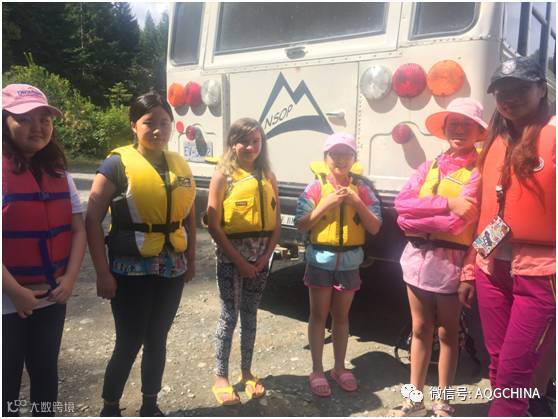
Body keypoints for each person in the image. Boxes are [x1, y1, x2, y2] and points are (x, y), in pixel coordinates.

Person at [85, 92, 196, 417]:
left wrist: (190, 259)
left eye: (165, 122)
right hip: (129, 269)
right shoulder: (115, 165)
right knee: (129, 340)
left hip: (171, 267)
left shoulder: (178, 164)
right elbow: (92, 220)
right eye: (150, 122)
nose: (159, 129)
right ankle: (110, 407)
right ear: (134, 125)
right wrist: (102, 272)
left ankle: (150, 404)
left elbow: (189, 214)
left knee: (157, 338)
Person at [389, 98, 487, 417]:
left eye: (467, 124)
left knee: (448, 333)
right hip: (416, 259)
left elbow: (459, 224)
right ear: (444, 129)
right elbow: (401, 208)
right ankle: (412, 397)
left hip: (451, 263)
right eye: (453, 124)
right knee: (419, 329)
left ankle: (444, 400)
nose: (459, 130)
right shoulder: (429, 166)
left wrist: (417, 218)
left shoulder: (479, 172)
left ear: (479, 132)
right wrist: (447, 204)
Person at [474, 56, 555, 417]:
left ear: (542, 89)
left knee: (513, 376)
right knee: (497, 365)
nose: (509, 97)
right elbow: (483, 209)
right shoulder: (496, 139)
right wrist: (468, 268)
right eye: (501, 91)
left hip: (541, 273)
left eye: (520, 88)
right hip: (490, 269)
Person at [2, 84, 87, 416]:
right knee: (5, 382)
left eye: (44, 119)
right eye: (24, 119)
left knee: (46, 374)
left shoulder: (60, 173)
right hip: (6, 302)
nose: (37, 127)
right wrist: (15, 292)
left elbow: (78, 229)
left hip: (52, 296)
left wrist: (70, 278)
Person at [295, 133, 382, 397]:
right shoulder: (315, 188)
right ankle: (317, 370)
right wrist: (326, 204)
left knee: (342, 318)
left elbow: (375, 226)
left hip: (349, 263)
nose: (341, 159)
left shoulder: (362, 189)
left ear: (354, 159)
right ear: (326, 158)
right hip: (320, 261)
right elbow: (302, 223)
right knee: (318, 316)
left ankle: (340, 367)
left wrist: (356, 201)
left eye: (346, 154)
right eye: (335, 154)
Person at [206, 118, 280, 405]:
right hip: (231, 259)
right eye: (244, 141)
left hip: (260, 259)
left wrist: (265, 257)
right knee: (229, 316)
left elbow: (276, 224)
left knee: (250, 315)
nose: (251, 147)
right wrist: (239, 262)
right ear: (232, 144)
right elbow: (214, 225)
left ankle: (247, 372)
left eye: (256, 141)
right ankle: (220, 376)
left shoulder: (268, 176)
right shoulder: (222, 176)